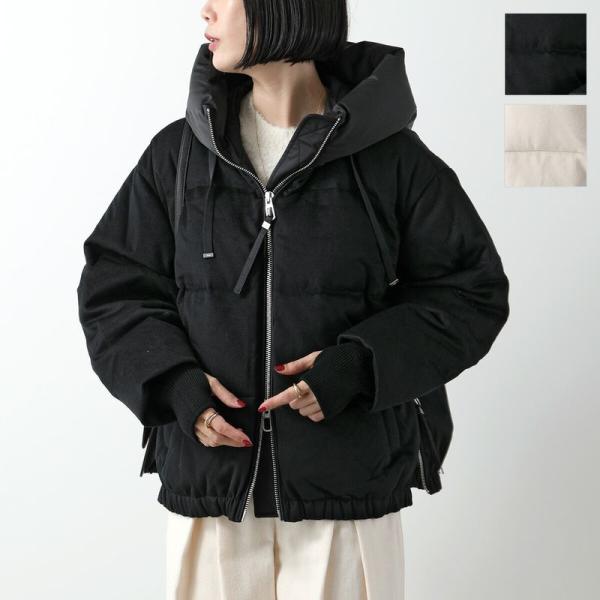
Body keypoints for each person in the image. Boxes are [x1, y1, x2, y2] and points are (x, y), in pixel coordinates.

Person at [76, 0, 510, 598]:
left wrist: (359, 366)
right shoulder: (178, 156)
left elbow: (470, 290)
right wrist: (176, 385)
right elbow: (114, 288)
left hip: (348, 491)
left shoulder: (391, 159)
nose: (205, 11)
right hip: (213, 490)